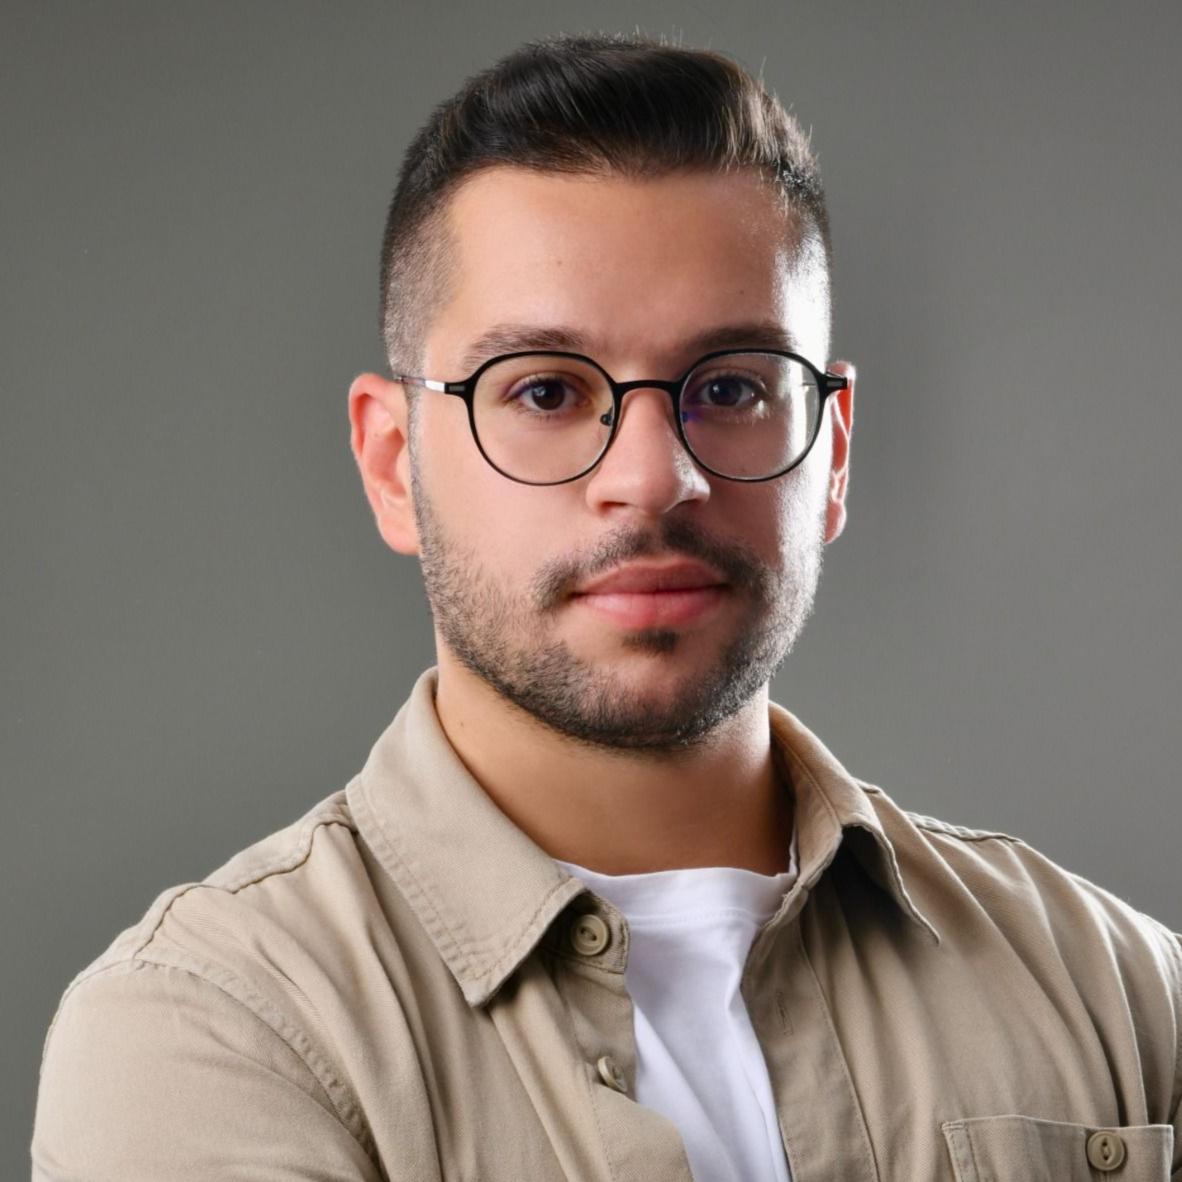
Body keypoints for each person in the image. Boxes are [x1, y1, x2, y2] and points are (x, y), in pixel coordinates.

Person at [31, 32, 1181, 1182]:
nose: (652, 475)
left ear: (830, 457)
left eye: (730, 387)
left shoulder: (1120, 994)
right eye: (542, 389)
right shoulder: (215, 1032)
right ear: (393, 464)